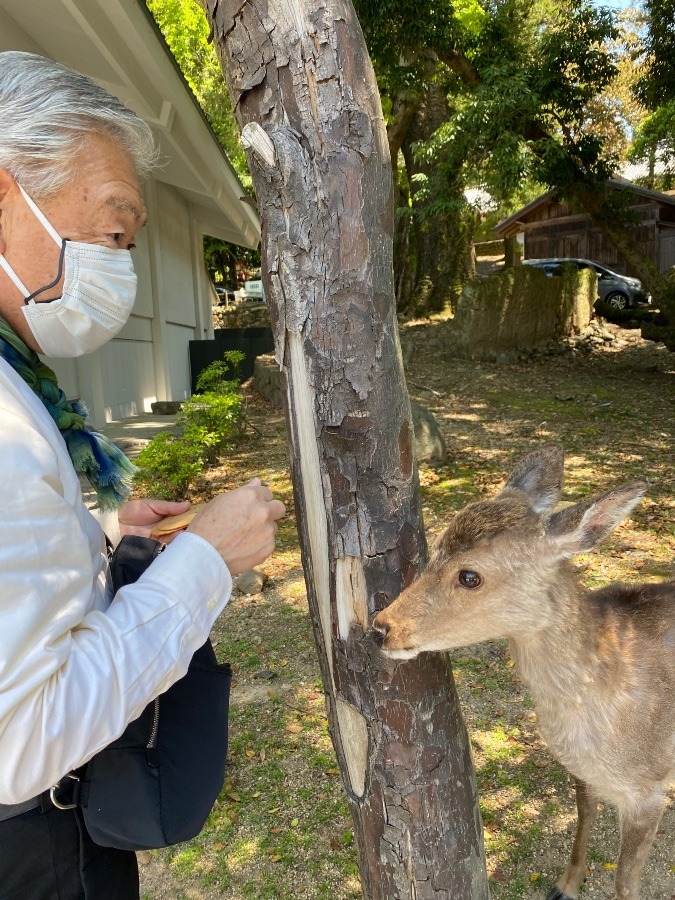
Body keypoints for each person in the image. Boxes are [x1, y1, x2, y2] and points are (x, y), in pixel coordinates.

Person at [0, 51, 285, 898]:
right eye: (114, 232)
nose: (120, 264)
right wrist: (203, 564)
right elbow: (26, 737)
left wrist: (103, 542)